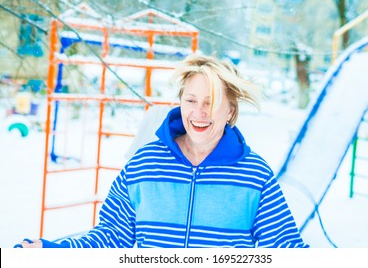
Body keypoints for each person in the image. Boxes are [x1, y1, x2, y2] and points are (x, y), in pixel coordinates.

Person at [15, 53, 309, 248]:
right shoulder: (145, 163)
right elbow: (111, 236)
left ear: (230, 111)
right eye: (191, 100)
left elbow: (284, 246)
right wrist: (53, 251)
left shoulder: (254, 174)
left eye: (211, 102)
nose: (199, 112)